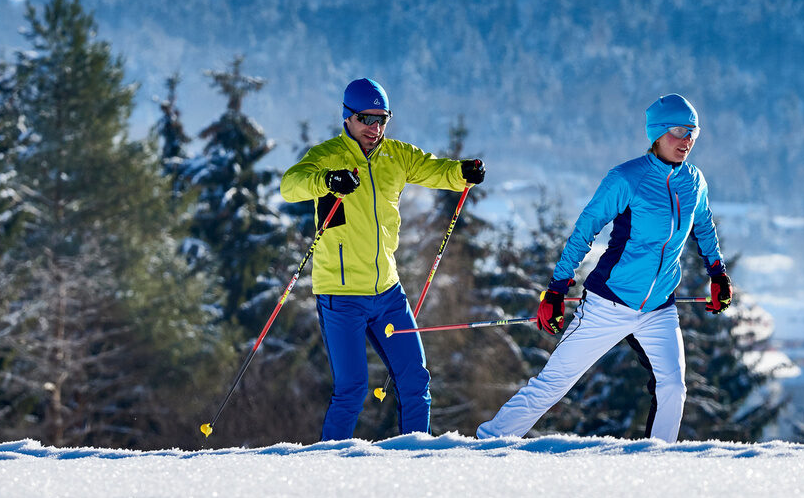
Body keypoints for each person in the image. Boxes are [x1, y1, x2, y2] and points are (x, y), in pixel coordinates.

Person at [476, 94, 731, 442]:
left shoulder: (694, 181)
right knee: (554, 384)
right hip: (607, 303)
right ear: (656, 133)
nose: (686, 140)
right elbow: (585, 230)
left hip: (659, 307)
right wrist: (556, 288)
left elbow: (703, 224)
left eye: (693, 132)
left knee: (673, 387)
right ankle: (489, 439)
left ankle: (657, 463)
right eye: (677, 131)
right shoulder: (627, 178)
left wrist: (717, 273)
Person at [281, 77, 485, 439]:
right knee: (352, 389)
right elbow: (291, 184)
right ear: (347, 117)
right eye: (366, 119)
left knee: (415, 380)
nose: (375, 129)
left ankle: (415, 459)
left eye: (382, 119)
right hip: (341, 296)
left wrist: (461, 172)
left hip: (388, 293)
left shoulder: (397, 155)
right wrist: (328, 180)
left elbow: (435, 169)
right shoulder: (327, 156)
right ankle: (327, 469)